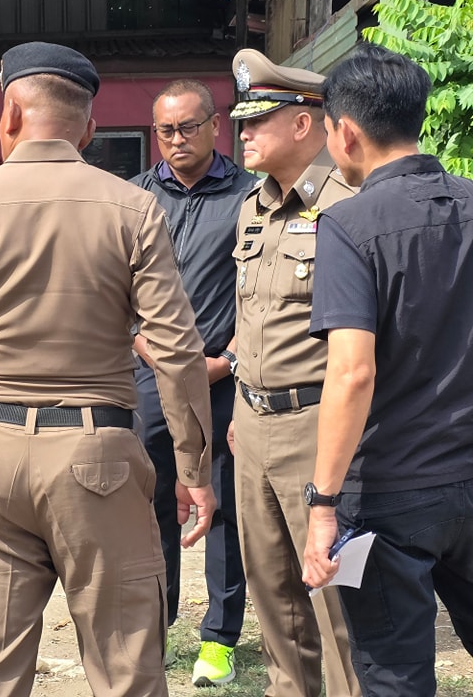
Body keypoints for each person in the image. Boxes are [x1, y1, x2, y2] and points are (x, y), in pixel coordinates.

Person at [0, 41, 216, 697]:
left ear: (11, 113)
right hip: (97, 458)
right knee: (126, 669)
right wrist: (193, 468)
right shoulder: (133, 209)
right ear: (89, 128)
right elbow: (177, 350)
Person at [301, 44, 473, 695]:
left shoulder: (348, 225)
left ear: (344, 133)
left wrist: (322, 505)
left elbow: (351, 373)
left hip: (389, 495)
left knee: (396, 676)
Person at [227, 49, 361, 697]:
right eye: (242, 122)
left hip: (316, 426)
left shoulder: (348, 203)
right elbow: (251, 319)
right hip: (252, 423)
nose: (243, 133)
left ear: (304, 123)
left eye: (258, 120)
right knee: (273, 599)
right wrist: (239, 408)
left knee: (338, 608)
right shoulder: (253, 206)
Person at [130, 79, 254, 687]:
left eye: (188, 127)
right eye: (165, 130)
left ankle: (219, 639)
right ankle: (156, 626)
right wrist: (143, 345)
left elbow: (263, 296)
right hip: (149, 378)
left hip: (223, 378)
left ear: (214, 126)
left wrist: (227, 359)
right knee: (151, 501)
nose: (176, 139)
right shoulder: (134, 197)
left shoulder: (250, 196)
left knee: (224, 504)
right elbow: (117, 285)